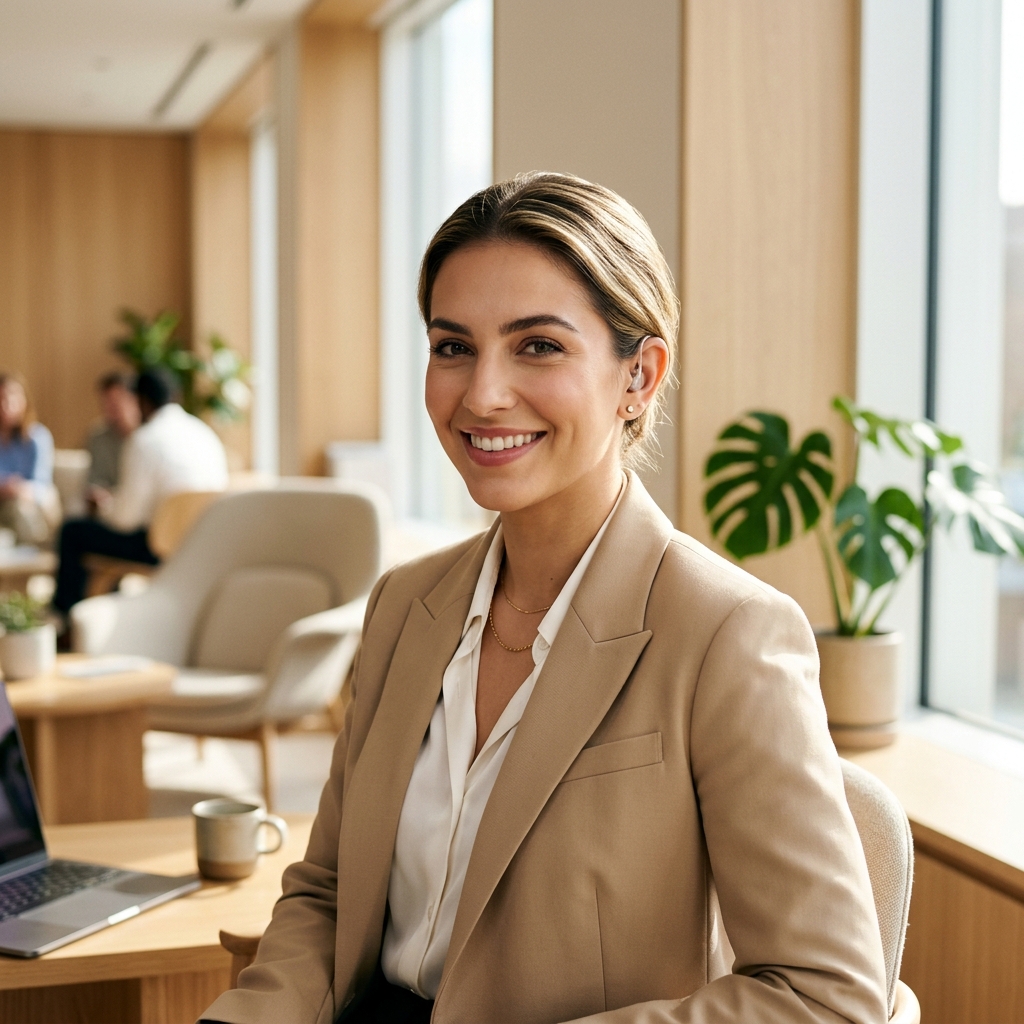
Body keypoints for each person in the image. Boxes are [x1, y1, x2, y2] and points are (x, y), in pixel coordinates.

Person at [202, 174, 887, 1024]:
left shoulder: (727, 634)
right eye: (453, 347)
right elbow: (332, 892)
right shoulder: (404, 605)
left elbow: (826, 995)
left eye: (537, 346)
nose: (482, 393)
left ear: (639, 374)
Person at [53, 368, 228, 614]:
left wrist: (106, 506)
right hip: (201, 544)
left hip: (159, 547)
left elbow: (125, 520)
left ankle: (65, 619)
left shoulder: (145, 440)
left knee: (73, 532)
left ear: (140, 401)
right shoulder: (205, 434)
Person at [0, 373, 59, 547]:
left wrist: (18, 489)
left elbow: (42, 484)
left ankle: (31, 563)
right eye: (1, 398)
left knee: (21, 510)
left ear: (25, 401)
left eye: (12, 398)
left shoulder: (37, 437)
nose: (6, 405)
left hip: (26, 503)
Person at [86, 371, 140, 493]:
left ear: (134, 400)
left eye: (118, 400)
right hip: (108, 505)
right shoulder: (98, 437)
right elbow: (95, 480)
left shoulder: (148, 436)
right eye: (107, 402)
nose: (112, 406)